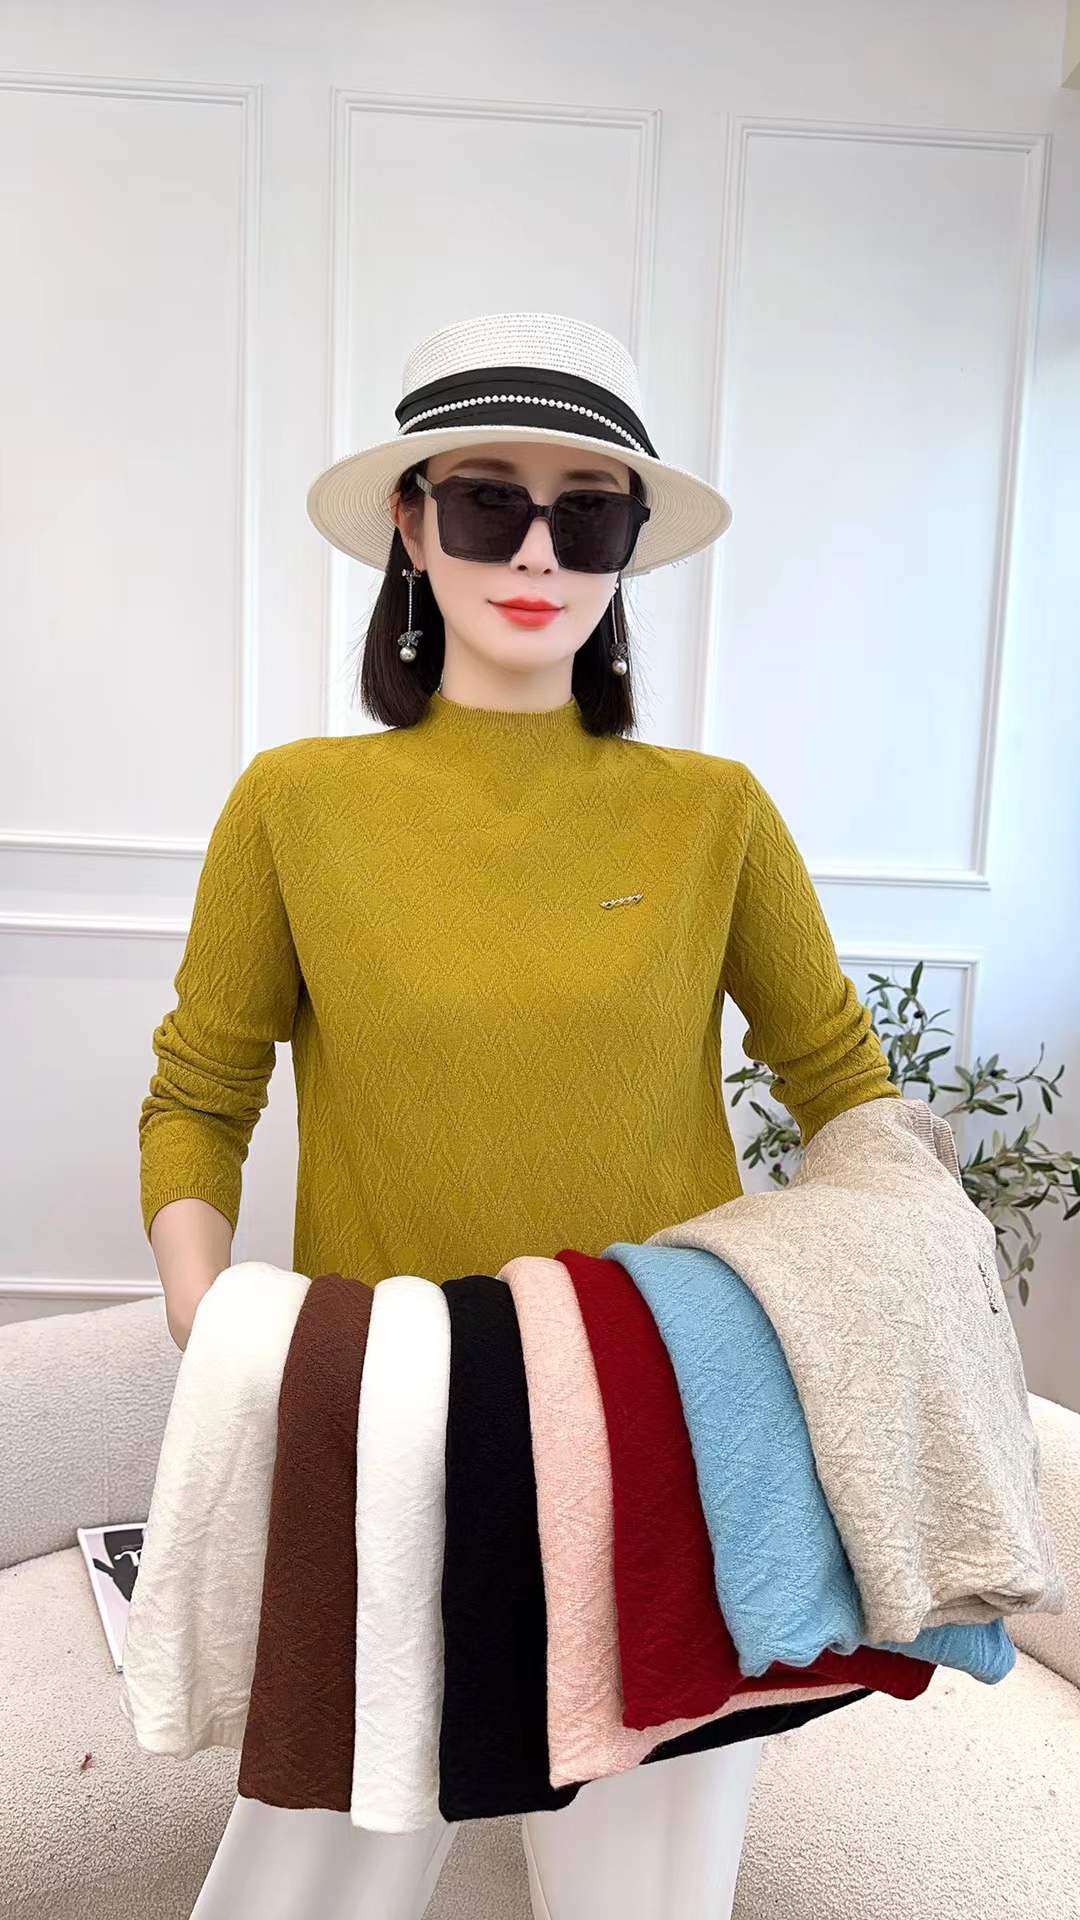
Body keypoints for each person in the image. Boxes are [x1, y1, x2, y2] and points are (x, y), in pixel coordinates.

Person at [140, 309, 898, 1920]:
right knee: (310, 1879)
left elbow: (844, 1087)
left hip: (667, 1427)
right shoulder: (296, 804)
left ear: (628, 548)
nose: (538, 550)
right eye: (489, 502)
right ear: (411, 527)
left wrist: (877, 1295)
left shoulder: (713, 814)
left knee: (646, 1898)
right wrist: (214, 1324)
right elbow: (203, 1090)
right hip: (390, 1422)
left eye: (588, 513)